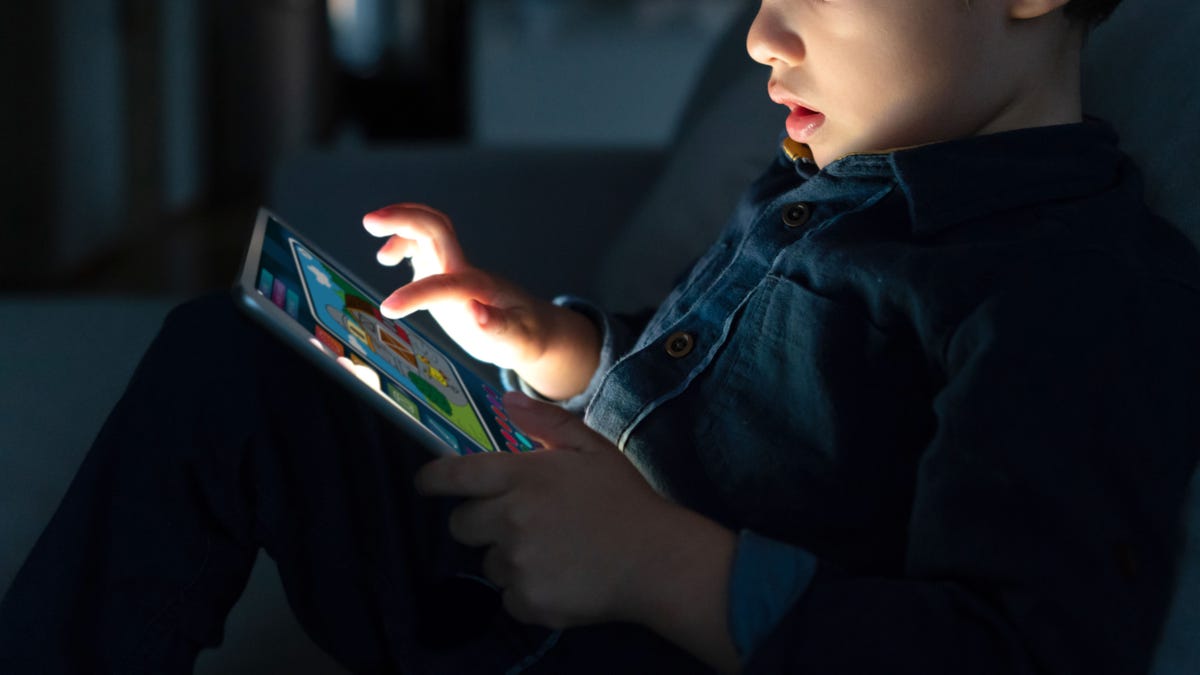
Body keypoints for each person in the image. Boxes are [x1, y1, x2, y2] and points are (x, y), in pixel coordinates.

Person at [3, 0, 1198, 672]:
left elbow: (1028, 654)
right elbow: (720, 388)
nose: (759, 37)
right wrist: (549, 340)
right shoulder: (840, 174)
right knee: (238, 352)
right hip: (527, 575)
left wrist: (661, 567)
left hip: (645, 644)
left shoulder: (1079, 289)